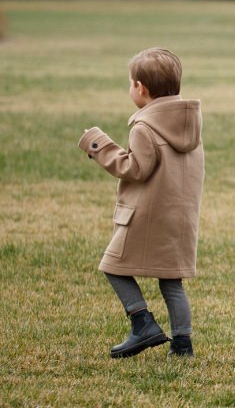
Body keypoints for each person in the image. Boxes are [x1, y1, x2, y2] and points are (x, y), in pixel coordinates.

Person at [78, 47, 204, 358]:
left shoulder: (145, 128)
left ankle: (142, 322)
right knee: (172, 283)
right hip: (180, 218)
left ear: (140, 88)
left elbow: (135, 169)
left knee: (113, 266)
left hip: (148, 217)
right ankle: (182, 345)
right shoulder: (190, 126)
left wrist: (99, 145)